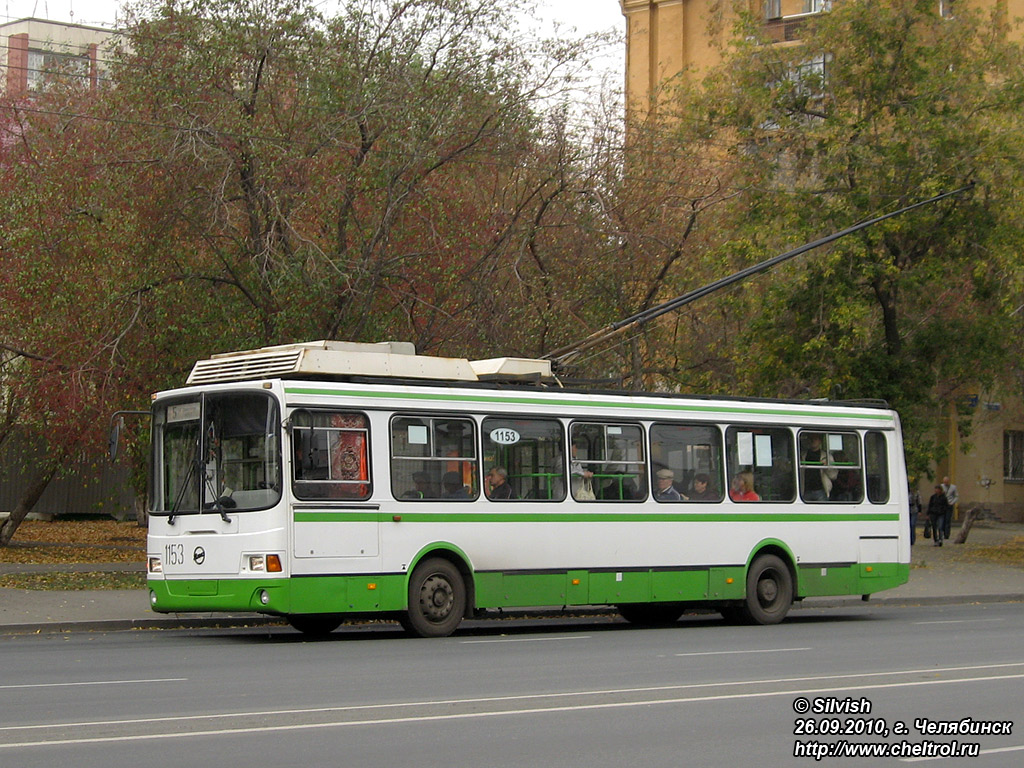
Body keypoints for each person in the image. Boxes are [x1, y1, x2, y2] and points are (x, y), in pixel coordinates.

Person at [802, 433, 837, 501]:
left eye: (815, 439)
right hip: (805, 490)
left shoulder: (827, 456)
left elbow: (834, 476)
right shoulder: (802, 455)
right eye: (811, 439)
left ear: (820, 441)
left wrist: (827, 467)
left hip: (821, 490)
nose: (813, 441)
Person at [908, 481, 922, 545]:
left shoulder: (916, 493)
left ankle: (912, 539)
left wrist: (920, 511)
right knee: (908, 525)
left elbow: (919, 501)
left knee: (912, 524)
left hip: (914, 510)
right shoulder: (906, 492)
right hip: (908, 510)